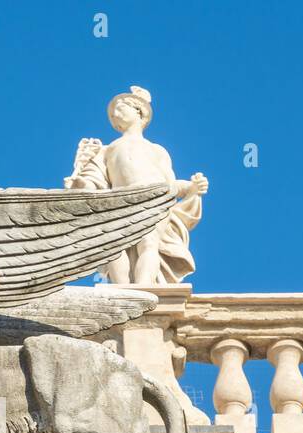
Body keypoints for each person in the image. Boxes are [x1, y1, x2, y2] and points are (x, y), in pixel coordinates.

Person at [65, 86, 209, 285]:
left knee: (149, 243)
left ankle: (144, 289)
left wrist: (191, 187)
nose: (115, 114)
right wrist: (79, 184)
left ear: (139, 111)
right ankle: (121, 290)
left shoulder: (157, 150)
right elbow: (93, 180)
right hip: (119, 200)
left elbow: (170, 184)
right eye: (113, 112)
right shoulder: (106, 149)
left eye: (121, 108)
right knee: (115, 245)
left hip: (155, 199)